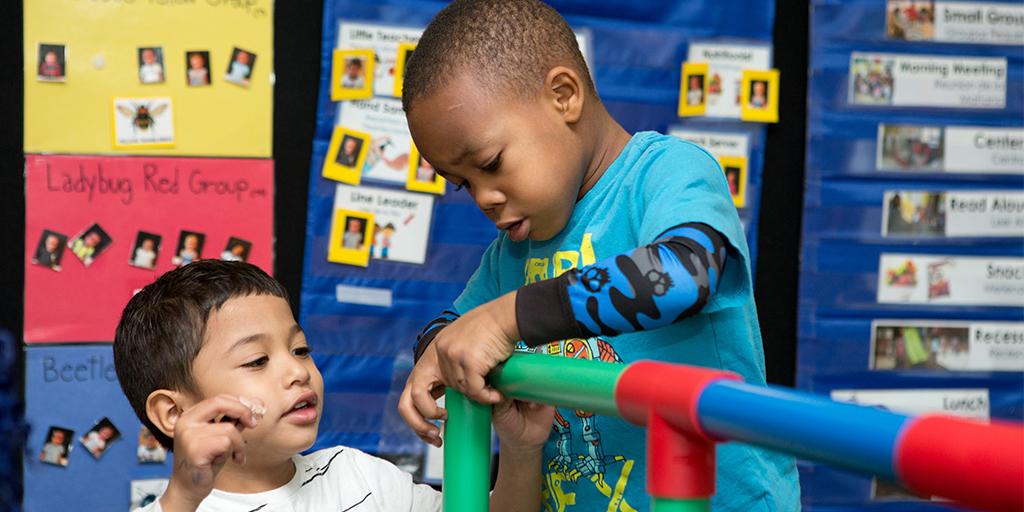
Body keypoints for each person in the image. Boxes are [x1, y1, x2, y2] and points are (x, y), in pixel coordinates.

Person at [396, 1, 800, 510]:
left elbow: (687, 270)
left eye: (491, 164)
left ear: (564, 96)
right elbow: (454, 326)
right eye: (462, 185)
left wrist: (506, 319)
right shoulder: (512, 254)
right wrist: (438, 349)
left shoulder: (665, 173)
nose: (484, 197)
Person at [113, 260, 553, 511]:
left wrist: (521, 451)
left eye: (301, 350)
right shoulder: (180, 507)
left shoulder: (358, 475)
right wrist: (185, 495)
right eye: (257, 360)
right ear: (173, 413)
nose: (297, 371)